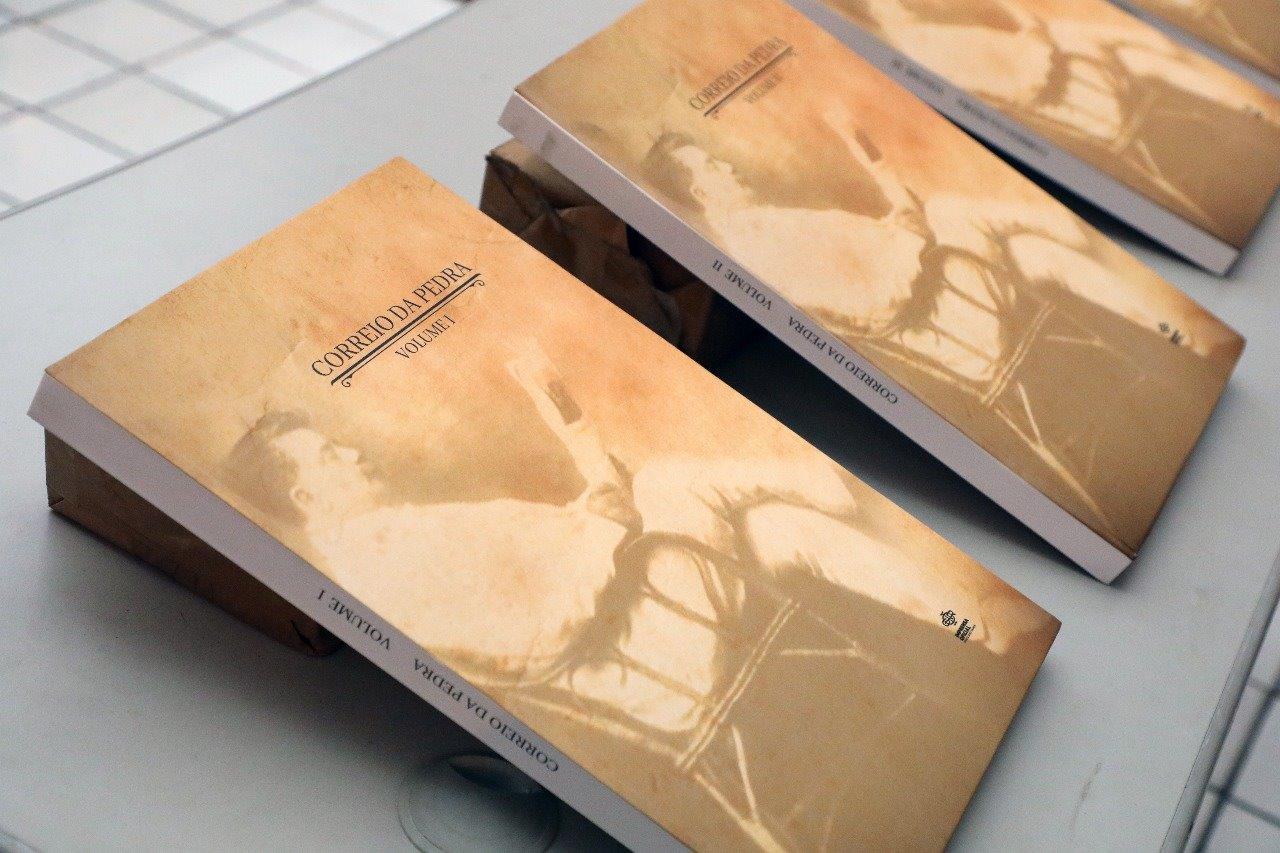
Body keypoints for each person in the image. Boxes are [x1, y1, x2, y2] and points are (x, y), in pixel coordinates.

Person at [224, 344, 1048, 848]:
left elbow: (536, 565)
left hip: (650, 628)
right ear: (303, 494)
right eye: (329, 455)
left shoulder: (384, 540)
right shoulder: (384, 551)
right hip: (654, 660)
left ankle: (968, 624)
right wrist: (607, 524)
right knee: (678, 486)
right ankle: (881, 535)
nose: (353, 454)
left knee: (779, 530)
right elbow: (542, 617)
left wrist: (591, 516)